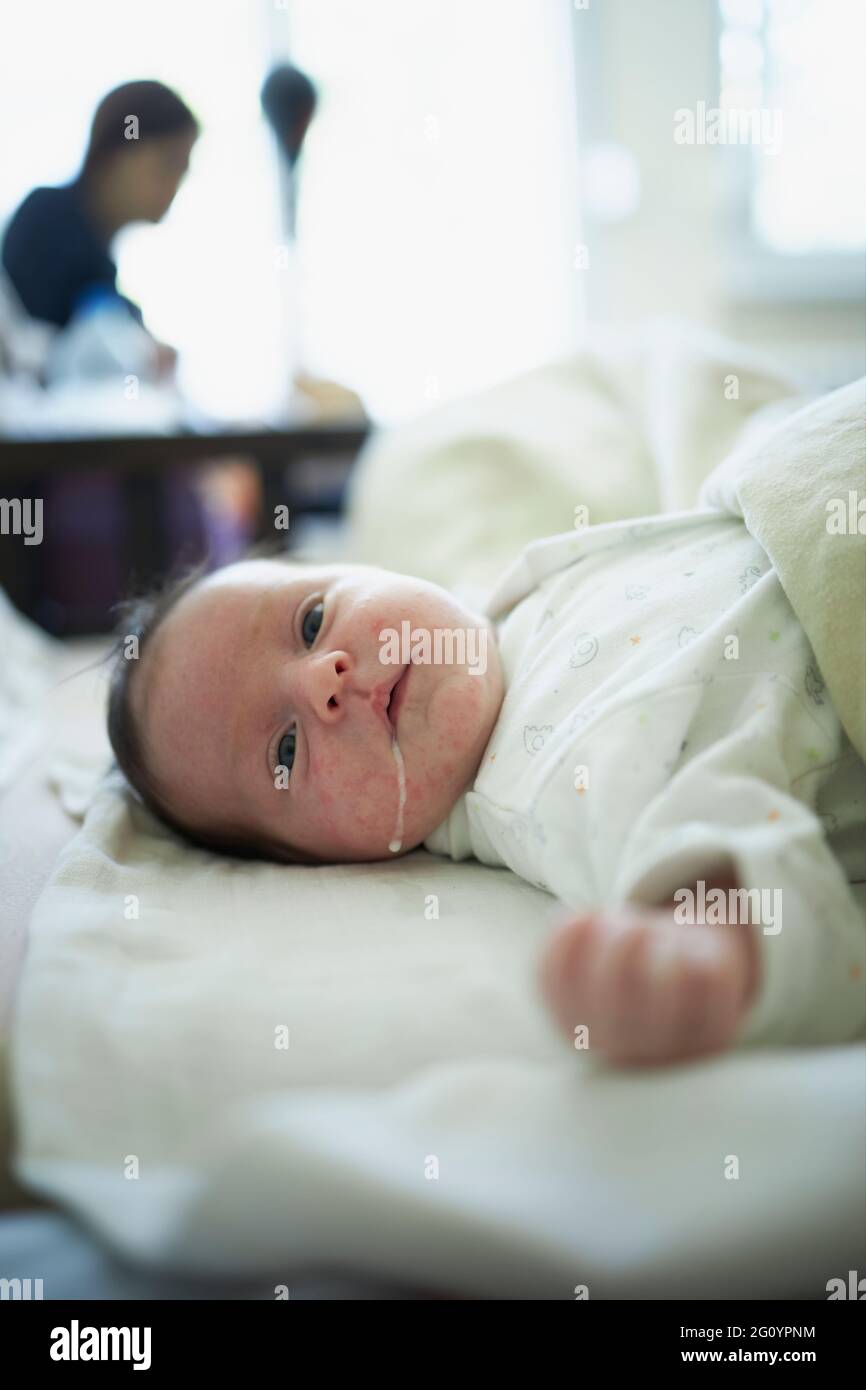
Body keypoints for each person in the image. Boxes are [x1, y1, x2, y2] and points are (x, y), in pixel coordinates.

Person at [103, 495, 866, 1069]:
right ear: (323, 858)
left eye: (310, 621)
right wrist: (706, 953)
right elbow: (727, 852)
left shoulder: (517, 603)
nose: (321, 679)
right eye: (285, 751)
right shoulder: (548, 780)